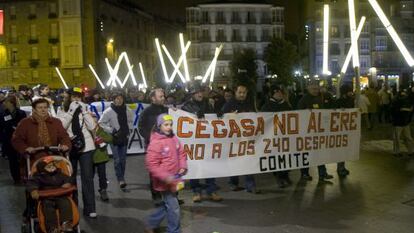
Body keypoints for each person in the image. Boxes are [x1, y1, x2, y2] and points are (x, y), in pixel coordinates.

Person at [57, 87, 97, 218]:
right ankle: (73, 206)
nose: (76, 100)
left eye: (78, 97)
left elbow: (92, 127)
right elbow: (61, 127)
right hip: (70, 147)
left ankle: (90, 208)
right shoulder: (61, 109)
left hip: (86, 146)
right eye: (73, 97)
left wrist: (85, 112)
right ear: (68, 97)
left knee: (87, 178)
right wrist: (71, 112)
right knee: (71, 178)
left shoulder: (85, 109)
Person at [145, 114, 187, 233]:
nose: (169, 127)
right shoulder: (156, 143)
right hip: (164, 182)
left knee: (167, 205)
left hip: (175, 179)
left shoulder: (174, 139)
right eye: (166, 125)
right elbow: (152, 164)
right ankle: (174, 230)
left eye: (171, 125)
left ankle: (151, 223)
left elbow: (182, 154)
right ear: (159, 126)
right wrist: (166, 177)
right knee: (174, 208)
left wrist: (183, 166)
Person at [182, 82, 223, 202]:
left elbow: (213, 117)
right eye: (196, 92)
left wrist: (218, 113)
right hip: (194, 142)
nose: (199, 94)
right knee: (195, 167)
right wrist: (194, 116)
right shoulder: (186, 106)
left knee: (209, 166)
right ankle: (196, 192)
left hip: (207, 141)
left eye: (200, 91)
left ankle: (211, 190)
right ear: (192, 94)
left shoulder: (208, 104)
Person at [12, 98, 71, 168]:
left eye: (45, 107)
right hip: (33, 158)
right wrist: (25, 148)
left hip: (53, 158)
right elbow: (17, 139)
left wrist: (65, 144)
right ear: (34, 109)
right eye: (40, 108)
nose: (43, 110)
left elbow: (64, 136)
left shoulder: (56, 122)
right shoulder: (25, 123)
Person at [222, 84, 259, 193]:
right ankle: (233, 183)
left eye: (244, 92)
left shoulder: (250, 103)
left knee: (249, 162)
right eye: (240, 92)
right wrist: (228, 115)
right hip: (234, 140)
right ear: (236, 93)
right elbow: (220, 117)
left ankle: (250, 185)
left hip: (248, 139)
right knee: (235, 162)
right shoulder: (229, 104)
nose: (242, 94)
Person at [297, 80, 334, 182]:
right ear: (308, 88)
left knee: (320, 153)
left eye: (317, 88)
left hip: (319, 130)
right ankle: (304, 173)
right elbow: (298, 114)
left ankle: (322, 173)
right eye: (313, 89)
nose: (316, 90)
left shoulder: (321, 97)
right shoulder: (304, 100)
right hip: (307, 131)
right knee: (307, 153)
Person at [26, 156, 73, 233]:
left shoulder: (59, 174)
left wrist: (67, 183)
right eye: (49, 167)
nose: (52, 167)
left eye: (53, 165)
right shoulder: (39, 177)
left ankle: (66, 223)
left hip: (60, 195)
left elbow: (68, 178)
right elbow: (32, 183)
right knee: (48, 208)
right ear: (42, 170)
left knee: (66, 203)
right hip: (46, 198)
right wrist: (33, 190)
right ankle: (52, 228)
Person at [138, 88, 168, 203]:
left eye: (163, 96)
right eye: (160, 96)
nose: (163, 98)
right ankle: (156, 195)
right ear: (153, 98)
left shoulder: (167, 110)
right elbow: (141, 128)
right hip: (153, 146)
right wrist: (152, 139)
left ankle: (171, 196)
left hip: (167, 145)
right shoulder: (146, 112)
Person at [99, 92, 134, 189]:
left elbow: (130, 122)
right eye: (117, 98)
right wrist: (111, 130)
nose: (119, 100)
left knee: (123, 159)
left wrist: (129, 131)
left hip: (124, 136)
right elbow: (101, 123)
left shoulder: (128, 110)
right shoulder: (108, 111)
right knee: (117, 159)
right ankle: (121, 179)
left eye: (121, 98)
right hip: (114, 137)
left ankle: (121, 177)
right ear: (113, 100)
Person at [261, 84, 293, 188]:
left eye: (280, 92)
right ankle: (279, 177)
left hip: (286, 136)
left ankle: (286, 175)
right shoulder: (267, 105)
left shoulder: (287, 105)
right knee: (277, 158)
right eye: (277, 92)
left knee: (287, 157)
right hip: (273, 137)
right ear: (273, 94)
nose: (279, 94)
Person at [0, 96, 27, 183]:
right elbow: (1, 126)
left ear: (11, 103)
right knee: (12, 160)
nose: (4, 103)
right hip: (8, 140)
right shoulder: (3, 114)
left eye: (6, 102)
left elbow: (24, 125)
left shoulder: (21, 113)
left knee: (23, 159)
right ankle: (16, 178)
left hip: (20, 139)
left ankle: (26, 176)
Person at [391, 89, 414, 157]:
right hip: (402, 123)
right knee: (407, 137)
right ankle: (410, 151)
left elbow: (393, 112)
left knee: (397, 138)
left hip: (399, 123)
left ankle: (397, 152)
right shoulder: (407, 102)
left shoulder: (397, 101)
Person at [92, 121, 112, 202]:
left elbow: (110, 139)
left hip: (101, 157)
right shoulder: (87, 131)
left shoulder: (102, 130)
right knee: (89, 176)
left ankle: (103, 190)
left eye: (94, 120)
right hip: (90, 157)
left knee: (102, 175)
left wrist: (101, 139)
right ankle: (89, 192)